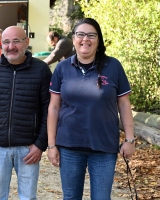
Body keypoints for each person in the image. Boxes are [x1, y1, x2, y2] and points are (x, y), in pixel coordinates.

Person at [47, 18, 135, 199]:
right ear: (73, 38)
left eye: (91, 35)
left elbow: (124, 104)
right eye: (80, 34)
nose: (85, 39)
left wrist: (130, 139)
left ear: (98, 40)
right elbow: (54, 108)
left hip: (104, 146)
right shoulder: (62, 68)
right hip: (69, 145)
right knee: (71, 197)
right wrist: (51, 145)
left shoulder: (114, 66)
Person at [0, 26, 52, 200]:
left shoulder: (41, 70)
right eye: (6, 42)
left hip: (28, 149)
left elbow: (49, 109)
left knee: (28, 197)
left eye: (16, 41)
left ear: (26, 42)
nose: (11, 46)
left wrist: (40, 144)